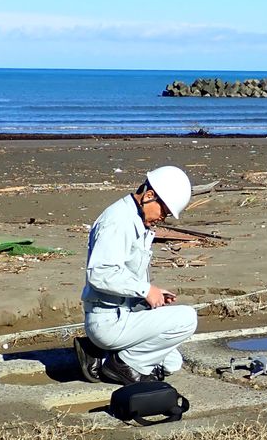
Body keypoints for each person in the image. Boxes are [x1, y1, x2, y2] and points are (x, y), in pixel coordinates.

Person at [74, 165, 198, 385]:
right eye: (164, 211)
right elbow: (100, 273)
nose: (163, 218)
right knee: (187, 319)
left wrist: (150, 293)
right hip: (108, 320)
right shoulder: (118, 221)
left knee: (172, 363)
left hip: (123, 314)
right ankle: (120, 366)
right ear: (149, 196)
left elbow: (123, 274)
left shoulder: (135, 219)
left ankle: (100, 357)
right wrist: (145, 290)